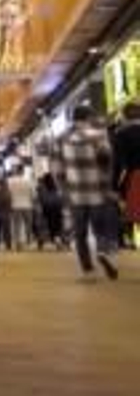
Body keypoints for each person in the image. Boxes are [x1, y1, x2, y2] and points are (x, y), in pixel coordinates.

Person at [55, 107, 119, 282]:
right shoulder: (99, 135)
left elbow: (58, 169)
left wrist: (63, 190)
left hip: (75, 193)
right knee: (100, 229)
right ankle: (102, 252)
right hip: (97, 190)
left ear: (72, 118)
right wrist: (107, 187)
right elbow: (106, 162)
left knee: (80, 233)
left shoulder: (61, 138)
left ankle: (88, 271)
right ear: (89, 117)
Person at [110, 102, 140, 229]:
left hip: (135, 178)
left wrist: (114, 187)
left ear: (124, 117)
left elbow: (119, 164)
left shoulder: (120, 134)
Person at [7, 171, 36, 251]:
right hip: (27, 205)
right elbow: (33, 194)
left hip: (15, 205)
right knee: (28, 224)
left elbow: (8, 193)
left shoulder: (10, 181)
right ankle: (29, 241)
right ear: (23, 171)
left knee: (16, 225)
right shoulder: (28, 181)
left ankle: (17, 242)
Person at [38, 174, 67, 249]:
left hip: (47, 208)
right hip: (57, 208)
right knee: (57, 226)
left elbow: (41, 199)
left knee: (47, 225)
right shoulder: (56, 187)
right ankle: (58, 241)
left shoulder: (42, 188)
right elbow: (61, 197)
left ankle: (43, 239)